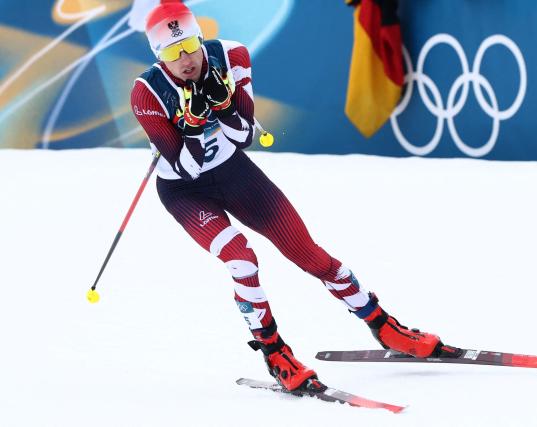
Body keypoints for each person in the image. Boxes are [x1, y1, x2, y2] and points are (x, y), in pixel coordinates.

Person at [130, 1, 460, 392]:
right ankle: (276, 355)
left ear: (201, 37)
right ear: (158, 56)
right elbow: (187, 165)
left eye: (189, 46)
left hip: (234, 171)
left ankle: (384, 325)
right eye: (171, 53)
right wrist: (193, 125)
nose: (185, 59)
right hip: (185, 190)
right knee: (241, 258)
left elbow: (243, 138)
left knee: (309, 254)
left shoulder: (231, 55)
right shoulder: (147, 93)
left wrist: (222, 107)